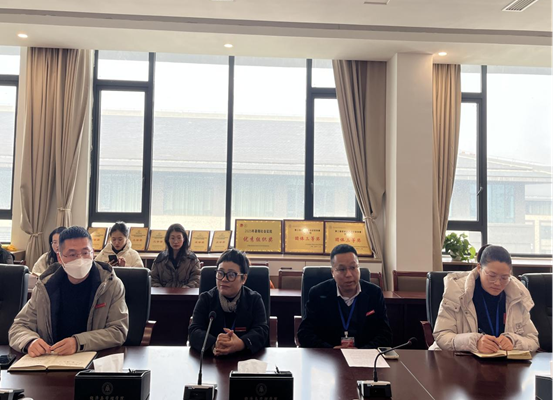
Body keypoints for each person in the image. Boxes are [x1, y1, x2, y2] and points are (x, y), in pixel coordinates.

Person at [9, 226, 129, 356]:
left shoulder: (110, 284)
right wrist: (30, 341)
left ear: (93, 253)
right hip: (51, 359)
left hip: (95, 359)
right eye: (72, 254)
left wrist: (78, 343)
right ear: (60, 258)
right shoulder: (45, 287)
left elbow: (118, 331)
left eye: (85, 253)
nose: (80, 259)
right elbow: (18, 327)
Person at [431, 245, 539, 353]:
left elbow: (533, 340)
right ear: (479, 268)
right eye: (492, 276)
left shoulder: (517, 296)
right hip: (460, 359)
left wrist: (513, 341)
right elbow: (441, 335)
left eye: (504, 278)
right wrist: (475, 342)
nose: (497, 283)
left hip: (501, 360)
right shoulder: (457, 291)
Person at [297, 244, 392, 349]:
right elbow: (304, 334)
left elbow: (385, 335)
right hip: (329, 356)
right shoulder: (318, 294)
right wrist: (331, 350)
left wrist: (361, 352)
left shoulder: (374, 293)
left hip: (364, 356)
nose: (348, 274)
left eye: (353, 267)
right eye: (342, 269)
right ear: (333, 272)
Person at [189, 249, 269, 356]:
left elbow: (261, 330)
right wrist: (214, 344)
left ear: (243, 278)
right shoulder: (206, 299)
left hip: (245, 359)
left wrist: (241, 343)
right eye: (220, 273)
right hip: (212, 359)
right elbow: (194, 330)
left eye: (231, 275)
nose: (224, 279)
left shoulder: (254, 299)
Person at [151, 223, 200, 288]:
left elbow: (196, 279)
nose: (176, 241)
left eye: (179, 238)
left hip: (185, 293)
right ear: (168, 239)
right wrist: (161, 291)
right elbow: (153, 280)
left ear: (184, 239)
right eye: (172, 238)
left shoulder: (192, 259)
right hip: (164, 294)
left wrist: (184, 289)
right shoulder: (160, 259)